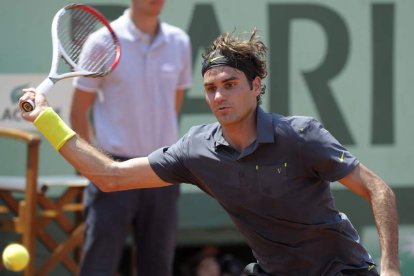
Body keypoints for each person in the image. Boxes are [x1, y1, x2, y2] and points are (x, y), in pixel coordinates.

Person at [19, 30, 400, 276]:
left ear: (256, 85)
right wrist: (47, 119)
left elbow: (378, 189)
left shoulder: (301, 135)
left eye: (230, 84)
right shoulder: (196, 150)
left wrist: (390, 268)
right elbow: (110, 176)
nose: (219, 96)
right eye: (211, 87)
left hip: (340, 270)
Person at [69, 0, 192, 275]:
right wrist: (93, 167)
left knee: (157, 267)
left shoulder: (179, 41)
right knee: (98, 267)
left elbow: (174, 104)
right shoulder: (101, 41)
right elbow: (78, 112)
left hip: (163, 171)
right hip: (113, 171)